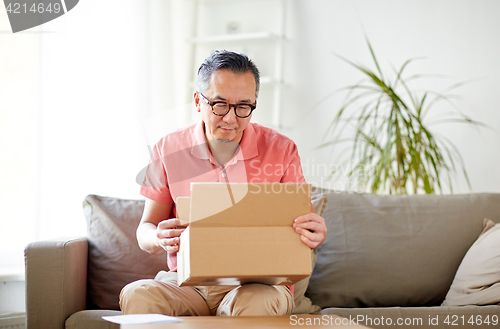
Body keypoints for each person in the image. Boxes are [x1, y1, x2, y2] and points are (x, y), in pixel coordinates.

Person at [120, 50, 327, 316]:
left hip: (258, 286)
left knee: (253, 303)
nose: (231, 118)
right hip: (189, 283)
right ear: (197, 101)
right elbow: (145, 229)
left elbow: (305, 226)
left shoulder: (281, 149)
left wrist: (316, 233)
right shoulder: (168, 149)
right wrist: (157, 237)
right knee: (137, 294)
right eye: (219, 104)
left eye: (243, 107)